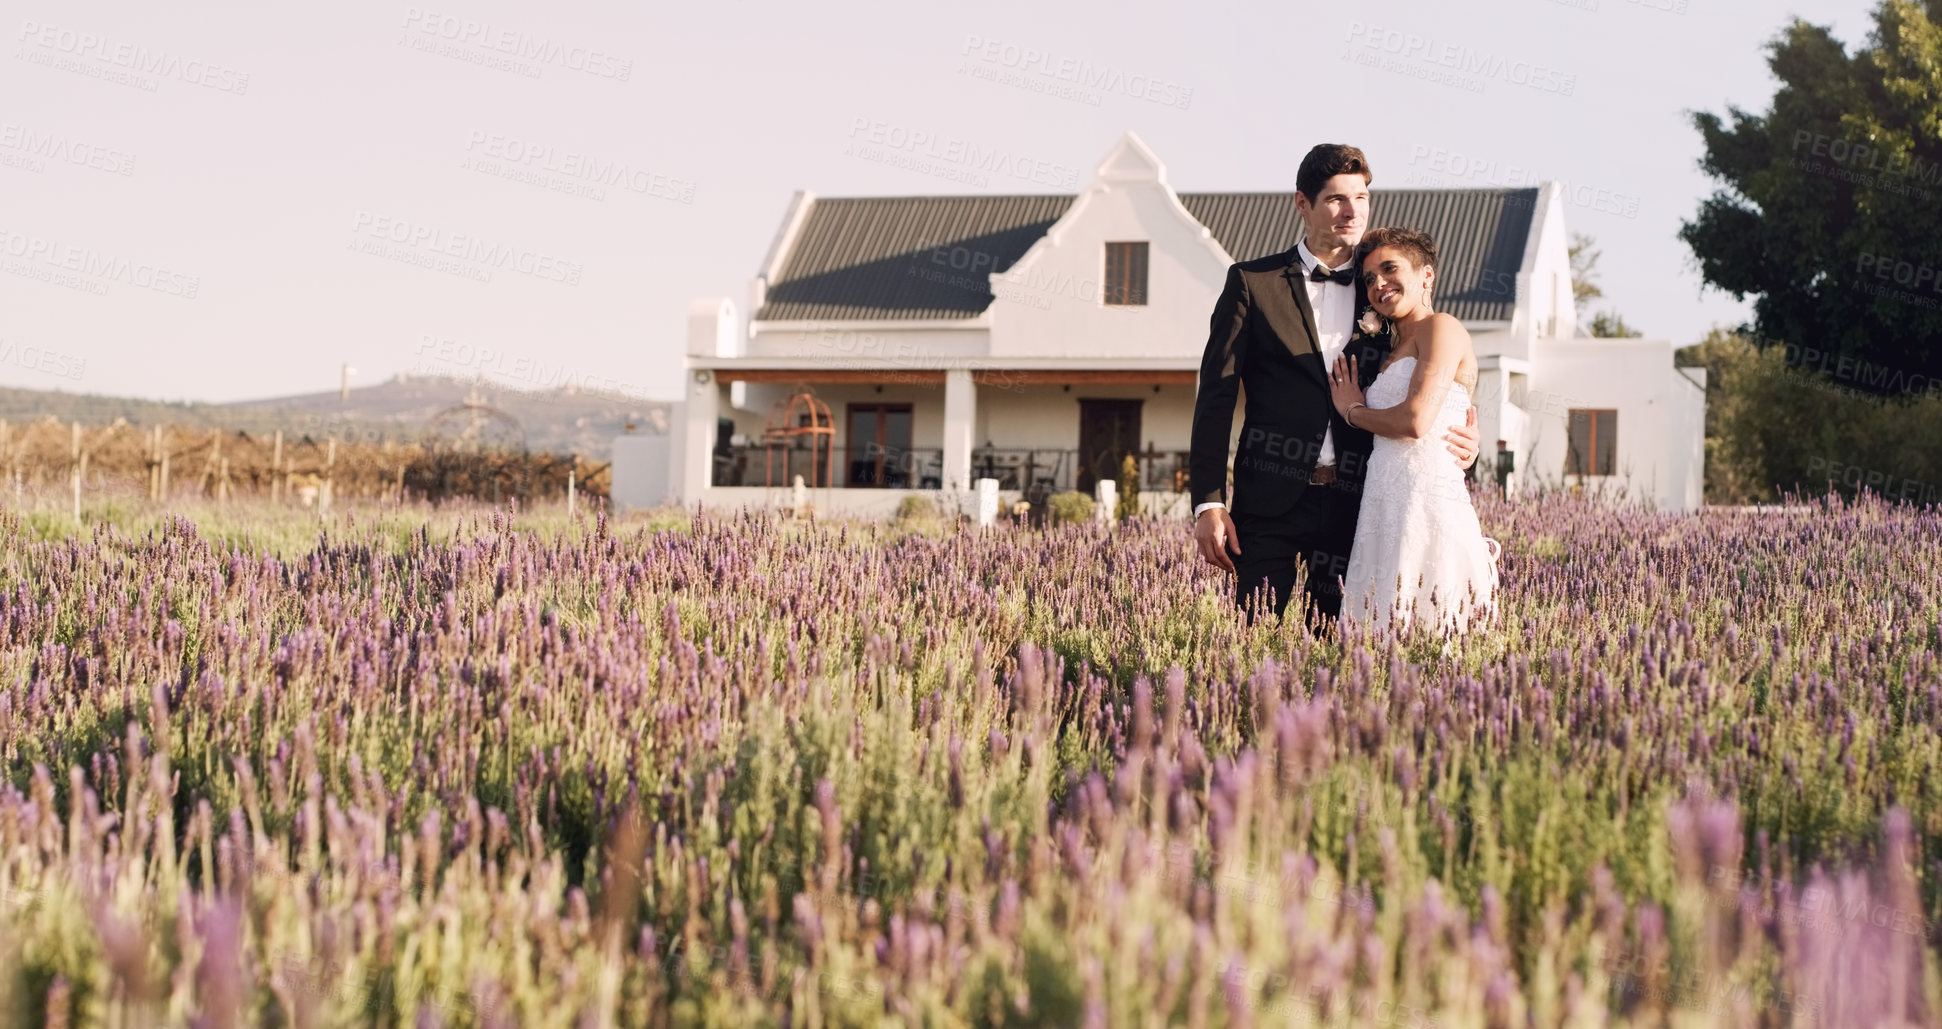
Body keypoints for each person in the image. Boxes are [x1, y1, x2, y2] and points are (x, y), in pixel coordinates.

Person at [1188, 144, 1479, 626]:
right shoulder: (1250, 283)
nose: (1352, 211)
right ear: (1302, 203)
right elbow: (1215, 397)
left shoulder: (1386, 293)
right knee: (1251, 641)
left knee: (1342, 650)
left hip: (1359, 503)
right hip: (1269, 502)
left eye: (1361, 197)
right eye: (1336, 199)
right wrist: (1209, 503)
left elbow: (1443, 370)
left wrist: (1470, 434)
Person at [1328, 227, 1500, 634]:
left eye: (1389, 269)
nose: (1378, 284)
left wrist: (1353, 411)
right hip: (1382, 506)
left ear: (1427, 276)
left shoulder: (1442, 327)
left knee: (1435, 630)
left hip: (1429, 504)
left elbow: (1416, 421)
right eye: (1368, 278)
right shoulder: (1386, 351)